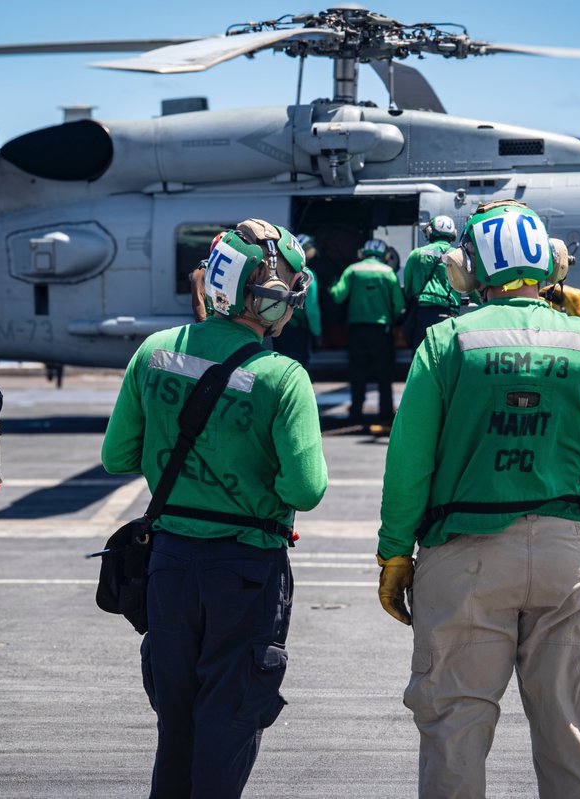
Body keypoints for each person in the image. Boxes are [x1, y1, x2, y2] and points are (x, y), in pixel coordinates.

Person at [377, 199, 580, 799]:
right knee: (574, 732)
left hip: (465, 559)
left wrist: (394, 552)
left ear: (465, 271)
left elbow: (409, 462)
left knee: (455, 728)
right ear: (552, 266)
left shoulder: (446, 341)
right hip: (571, 557)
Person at [102, 218, 328, 799]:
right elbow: (306, 490)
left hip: (170, 565)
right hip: (246, 573)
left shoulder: (154, 353)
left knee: (175, 726)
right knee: (228, 726)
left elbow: (117, 455)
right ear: (268, 296)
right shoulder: (283, 377)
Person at [329, 237, 406, 422]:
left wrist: (331, 284)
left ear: (362, 253)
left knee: (358, 373)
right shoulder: (388, 273)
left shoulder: (353, 270)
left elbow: (337, 296)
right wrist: (393, 319)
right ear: (384, 255)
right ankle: (385, 412)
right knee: (384, 374)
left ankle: (356, 411)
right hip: (381, 331)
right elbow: (399, 305)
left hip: (357, 330)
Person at [402, 215, 469, 351]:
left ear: (430, 232)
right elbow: (471, 287)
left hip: (423, 315)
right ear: (453, 234)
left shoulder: (416, 254)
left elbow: (408, 290)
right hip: (449, 315)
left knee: (422, 356)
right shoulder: (459, 256)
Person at [272, 233, 323, 367]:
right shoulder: (307, 275)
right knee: (297, 367)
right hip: (297, 329)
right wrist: (317, 333)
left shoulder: (278, 270)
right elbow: (312, 309)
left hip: (278, 326)